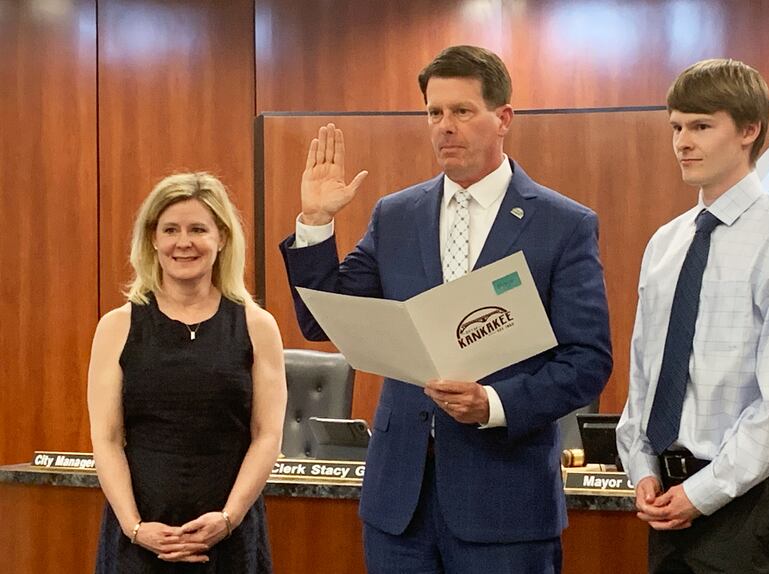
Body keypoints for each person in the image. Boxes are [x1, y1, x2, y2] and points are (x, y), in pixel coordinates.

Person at [279, 45, 612, 573]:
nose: (444, 127)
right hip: (400, 504)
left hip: (505, 506)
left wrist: (494, 404)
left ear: (503, 118)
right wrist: (316, 222)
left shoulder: (562, 225)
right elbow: (323, 319)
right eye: (434, 113)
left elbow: (587, 361)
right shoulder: (397, 215)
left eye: (461, 111)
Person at [616, 58, 769, 573]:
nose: (682, 142)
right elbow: (644, 376)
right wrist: (641, 469)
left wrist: (705, 491)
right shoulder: (666, 242)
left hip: (747, 504)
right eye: (676, 126)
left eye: (700, 126)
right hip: (666, 499)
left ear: (748, 130)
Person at [88, 172, 286, 572]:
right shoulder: (117, 326)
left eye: (198, 229)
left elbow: (267, 435)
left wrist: (228, 519)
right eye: (170, 230)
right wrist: (134, 526)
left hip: (229, 538)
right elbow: (106, 439)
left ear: (222, 238)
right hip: (139, 539)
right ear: (153, 239)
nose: (183, 243)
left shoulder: (257, 326)